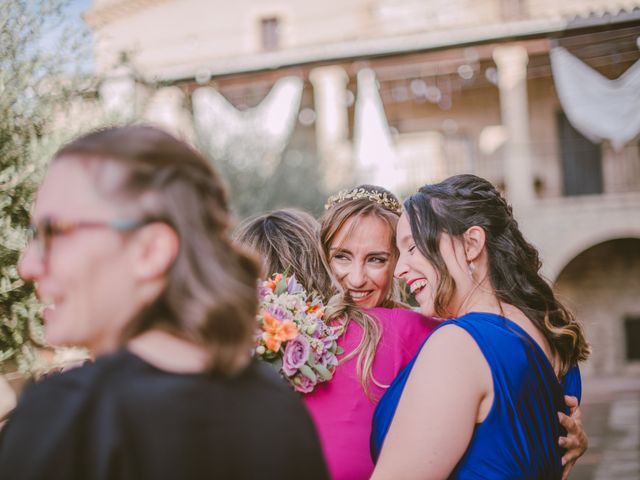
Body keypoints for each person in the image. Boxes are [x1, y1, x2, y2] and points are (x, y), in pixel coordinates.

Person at [0, 126, 328, 480]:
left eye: (56, 231)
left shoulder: (64, 417)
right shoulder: (277, 411)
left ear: (150, 249)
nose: (27, 265)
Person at [371, 174, 591, 479]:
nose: (398, 270)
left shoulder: (458, 346)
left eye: (412, 248)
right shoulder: (549, 335)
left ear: (472, 243)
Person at [235, 201, 441, 480]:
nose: (356, 279)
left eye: (376, 259)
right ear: (321, 262)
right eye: (342, 257)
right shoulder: (398, 328)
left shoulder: (224, 351)